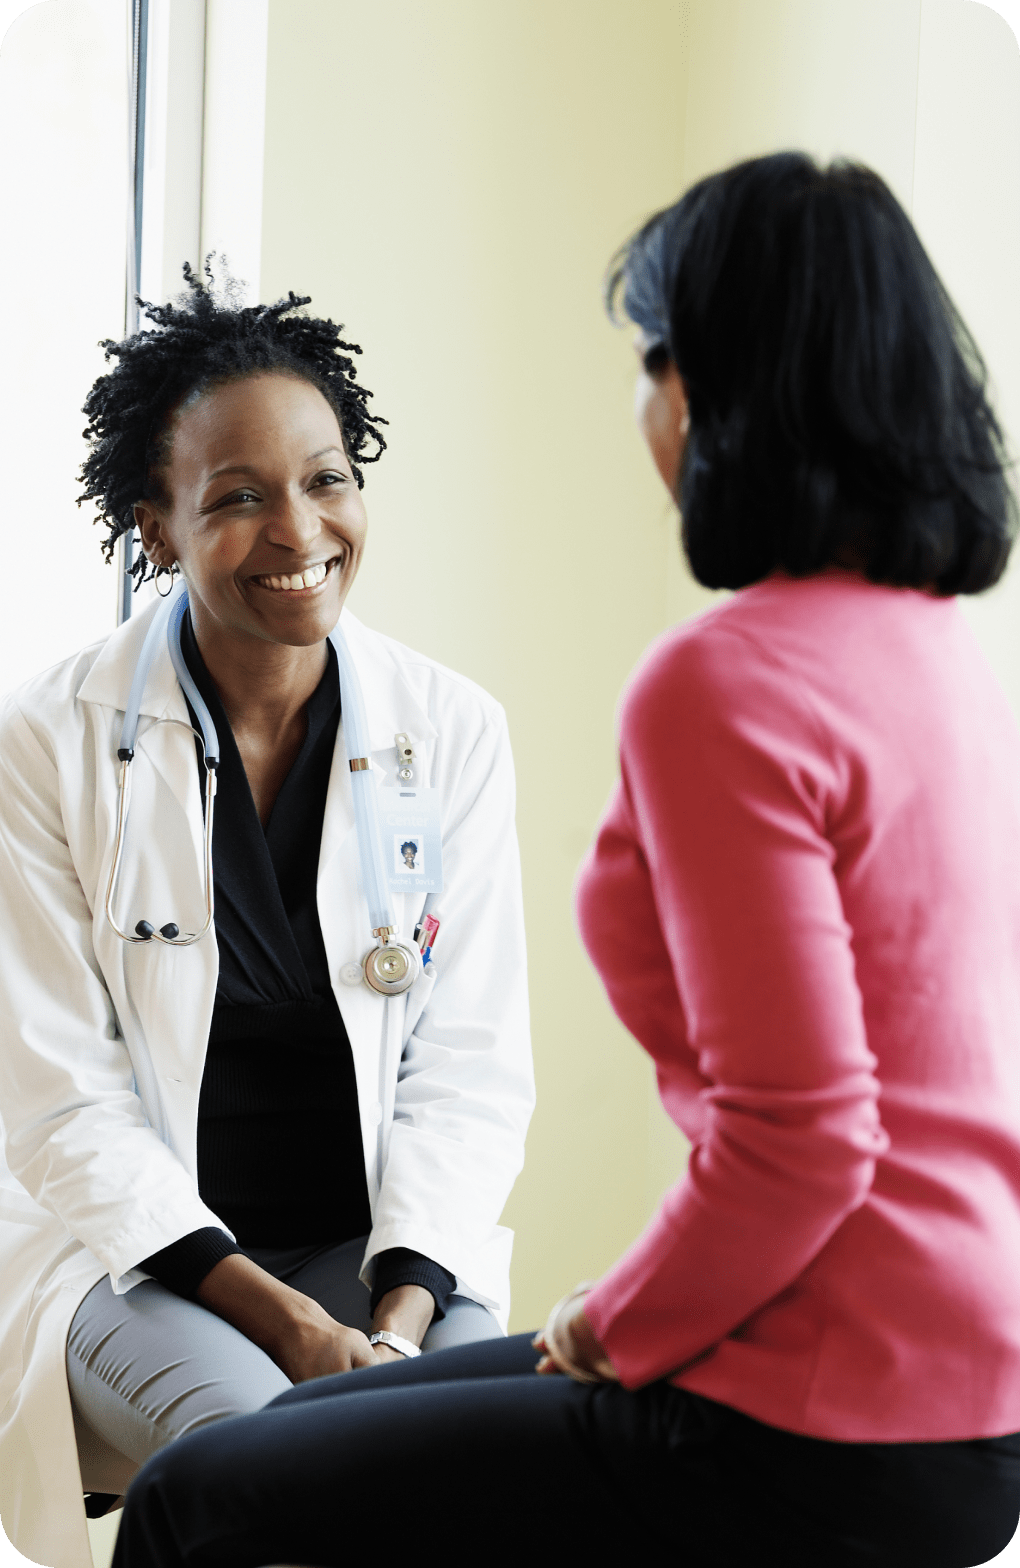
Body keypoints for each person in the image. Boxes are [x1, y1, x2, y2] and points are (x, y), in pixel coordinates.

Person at [108, 152, 1020, 1568]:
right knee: (287, 1444)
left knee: (198, 1495)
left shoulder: (723, 684)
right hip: (976, 1376)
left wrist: (616, 1320)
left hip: (806, 1406)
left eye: (659, 359)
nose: (646, 403)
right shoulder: (942, 658)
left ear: (724, 392)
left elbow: (804, 1141)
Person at [0, 264, 534, 1568]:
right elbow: (62, 1101)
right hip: (141, 1262)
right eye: (236, 498)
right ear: (157, 527)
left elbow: (468, 1072)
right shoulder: (48, 743)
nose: (300, 530)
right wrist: (292, 1329)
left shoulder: (448, 730)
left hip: (388, 1255)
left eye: (328, 477)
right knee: (264, 1471)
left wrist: (395, 1327)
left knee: (485, 1481)